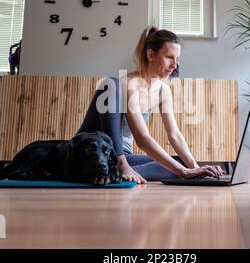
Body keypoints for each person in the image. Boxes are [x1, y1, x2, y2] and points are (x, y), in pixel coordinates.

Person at [77, 27, 224, 184]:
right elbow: (142, 138)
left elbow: (174, 135)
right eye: (169, 57)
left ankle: (111, 174)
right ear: (151, 54)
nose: (175, 65)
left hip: (123, 156)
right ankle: (115, 170)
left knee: (173, 166)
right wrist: (184, 171)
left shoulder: (163, 90)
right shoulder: (127, 84)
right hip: (92, 153)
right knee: (178, 169)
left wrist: (195, 169)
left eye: (178, 59)